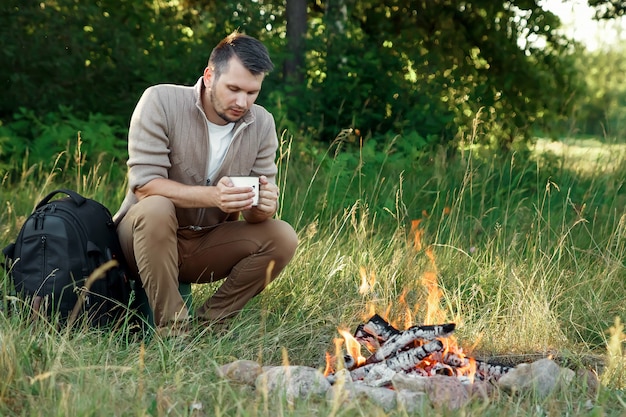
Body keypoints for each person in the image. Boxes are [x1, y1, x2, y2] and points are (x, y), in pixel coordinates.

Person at [114, 31, 298, 337]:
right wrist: (214, 197)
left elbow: (255, 214)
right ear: (210, 76)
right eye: (234, 89)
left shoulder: (262, 123)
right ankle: (173, 331)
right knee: (157, 207)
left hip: (204, 245)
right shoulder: (160, 100)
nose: (243, 102)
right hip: (141, 242)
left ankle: (209, 325)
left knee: (283, 236)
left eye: (252, 92)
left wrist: (263, 206)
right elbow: (145, 186)